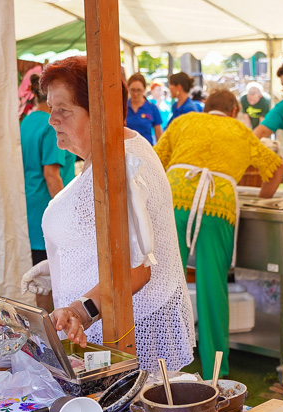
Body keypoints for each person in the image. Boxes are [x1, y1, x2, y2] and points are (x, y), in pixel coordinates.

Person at [21, 56, 195, 373]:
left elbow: (137, 268)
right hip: (109, 333)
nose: (51, 120)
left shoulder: (120, 167)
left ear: (101, 111)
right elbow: (107, 237)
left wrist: (81, 309)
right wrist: (59, 266)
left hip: (125, 333)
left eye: (63, 110)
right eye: (51, 108)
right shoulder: (110, 154)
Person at [154, 88, 283, 380]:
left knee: (164, 283)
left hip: (174, 198)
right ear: (234, 110)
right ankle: (216, 372)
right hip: (218, 204)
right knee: (213, 287)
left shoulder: (183, 121)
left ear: (205, 108)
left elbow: (153, 162)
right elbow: (277, 169)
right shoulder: (240, 129)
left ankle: (162, 362)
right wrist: (263, 197)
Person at [20, 73, 76, 309]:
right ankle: (51, 340)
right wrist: (69, 213)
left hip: (32, 210)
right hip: (49, 210)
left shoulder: (27, 121)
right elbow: (51, 175)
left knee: (41, 281)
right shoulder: (50, 125)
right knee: (53, 281)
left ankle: (44, 337)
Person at [125, 73, 162, 145]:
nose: (135, 94)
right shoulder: (123, 108)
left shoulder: (152, 108)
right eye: (132, 90)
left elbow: (159, 136)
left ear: (144, 89)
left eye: (139, 90)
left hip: (147, 150)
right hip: (127, 151)